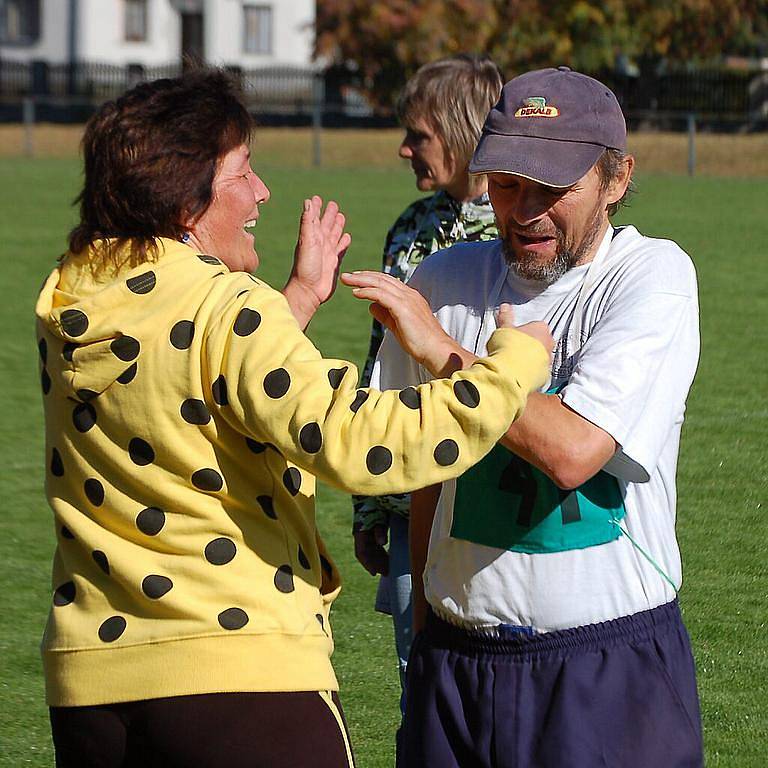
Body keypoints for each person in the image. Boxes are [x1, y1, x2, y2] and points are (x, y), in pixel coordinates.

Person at [35, 69, 553, 768]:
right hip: (238, 683)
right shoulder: (228, 308)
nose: (261, 193)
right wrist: (511, 367)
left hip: (92, 686)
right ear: (186, 199)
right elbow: (360, 443)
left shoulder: (74, 294)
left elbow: (182, 379)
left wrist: (299, 300)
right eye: (242, 172)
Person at [345, 66, 703, 767]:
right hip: (456, 660)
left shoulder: (650, 276)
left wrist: (446, 353)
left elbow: (574, 451)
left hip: (604, 662)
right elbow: (425, 475)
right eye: (507, 184)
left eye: (554, 189)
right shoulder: (443, 280)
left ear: (617, 179)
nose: (525, 209)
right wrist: (424, 633)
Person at [351, 54, 504, 730]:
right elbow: (377, 367)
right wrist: (367, 502)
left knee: (497, 691)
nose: (404, 147)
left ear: (464, 130)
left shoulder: (520, 232)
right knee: (421, 690)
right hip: (410, 492)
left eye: (419, 134)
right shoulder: (410, 228)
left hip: (494, 499)